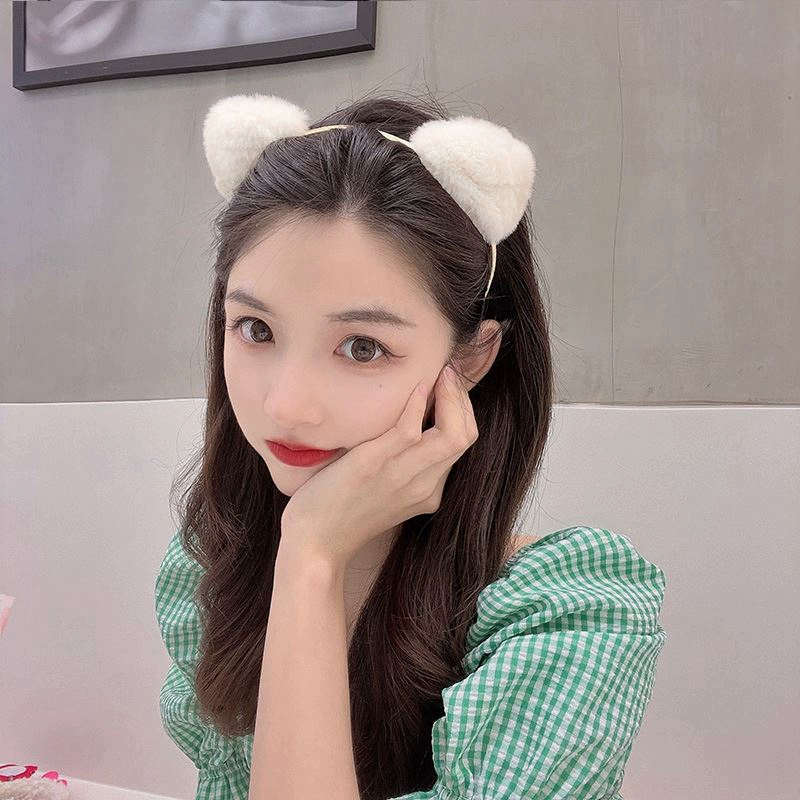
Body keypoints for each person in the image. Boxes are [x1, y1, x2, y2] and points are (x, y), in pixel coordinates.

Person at [155, 90, 667, 800]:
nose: (286, 405)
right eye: (256, 329)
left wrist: (311, 556)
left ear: (472, 357)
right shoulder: (211, 573)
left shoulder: (567, 616)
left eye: (363, 347)